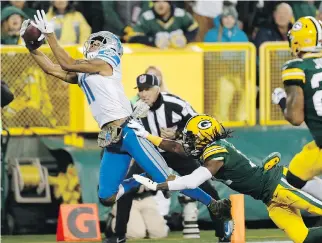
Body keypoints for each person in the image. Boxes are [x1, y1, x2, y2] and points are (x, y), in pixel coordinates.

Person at [20, 9, 231, 237]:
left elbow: (67, 62)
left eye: (97, 43)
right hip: (111, 137)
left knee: (168, 181)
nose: (92, 46)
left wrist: (50, 35)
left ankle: (214, 204)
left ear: (109, 47)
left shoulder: (107, 64)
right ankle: (140, 180)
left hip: (130, 132)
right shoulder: (86, 73)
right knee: (106, 197)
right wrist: (31, 46)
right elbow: (52, 68)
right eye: (93, 43)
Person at [129, 115, 322, 243]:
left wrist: (158, 184)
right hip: (269, 199)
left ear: (203, 136)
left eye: (191, 137)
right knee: (304, 238)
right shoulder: (207, 148)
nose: (187, 141)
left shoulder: (215, 152)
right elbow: (176, 148)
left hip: (278, 185)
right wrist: (146, 135)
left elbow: (192, 181)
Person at [105, 74, 229, 243]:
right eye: (140, 90)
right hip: (151, 155)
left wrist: (177, 134)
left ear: (158, 88)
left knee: (208, 189)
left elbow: (199, 127)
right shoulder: (135, 110)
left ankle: (223, 234)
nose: (143, 94)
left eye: (147, 89)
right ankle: (119, 236)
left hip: (175, 151)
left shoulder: (175, 104)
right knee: (126, 189)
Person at [272, 16, 322, 201]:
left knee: (291, 181)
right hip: (319, 147)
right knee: (295, 175)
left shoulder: (297, 68)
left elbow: (295, 118)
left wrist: (281, 100)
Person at [128, 0, 198, 49]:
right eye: (157, 1)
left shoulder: (180, 14)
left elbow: (194, 28)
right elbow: (134, 38)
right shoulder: (146, 17)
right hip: (154, 57)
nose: (160, 4)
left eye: (164, 1)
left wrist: (185, 38)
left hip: (178, 56)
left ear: (170, 3)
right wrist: (153, 40)